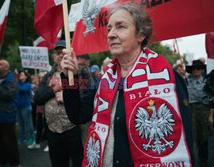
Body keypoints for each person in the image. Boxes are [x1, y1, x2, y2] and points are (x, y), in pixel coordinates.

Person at [61, 3, 194, 167]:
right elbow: (78, 115)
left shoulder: (169, 78)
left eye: (120, 27)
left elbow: (184, 141)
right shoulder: (106, 80)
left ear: (141, 35)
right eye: (109, 29)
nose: (111, 34)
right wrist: (70, 76)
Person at [34, 40, 83, 167]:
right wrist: (54, 89)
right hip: (53, 131)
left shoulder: (80, 72)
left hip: (73, 130)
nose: (60, 55)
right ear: (54, 56)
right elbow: (38, 98)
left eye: (63, 52)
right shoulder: (48, 76)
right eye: (57, 53)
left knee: (79, 163)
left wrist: (67, 96)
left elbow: (87, 95)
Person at [186, 60, 213, 167]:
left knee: (203, 137)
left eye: (198, 68)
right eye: (193, 69)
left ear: (202, 70)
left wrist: (211, 116)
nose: (195, 70)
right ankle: (191, 159)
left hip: (204, 110)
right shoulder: (186, 82)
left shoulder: (207, 82)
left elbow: (211, 100)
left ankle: (204, 160)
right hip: (191, 110)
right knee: (192, 136)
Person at [17, 70, 35, 146]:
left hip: (26, 107)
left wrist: (15, 84)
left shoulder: (28, 84)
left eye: (22, 74)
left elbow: (22, 89)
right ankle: (22, 137)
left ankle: (32, 137)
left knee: (28, 123)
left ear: (26, 76)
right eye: (20, 74)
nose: (20, 75)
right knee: (21, 124)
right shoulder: (19, 84)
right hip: (19, 107)